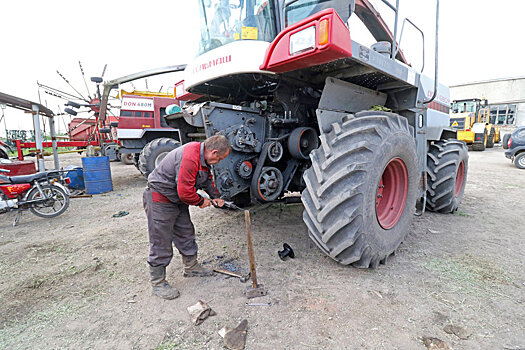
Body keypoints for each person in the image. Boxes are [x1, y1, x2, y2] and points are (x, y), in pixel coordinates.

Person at [143, 135, 231, 300]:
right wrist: (201, 201)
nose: (218, 161)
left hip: (176, 199)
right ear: (213, 151)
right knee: (161, 239)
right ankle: (158, 282)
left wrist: (216, 196)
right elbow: (185, 192)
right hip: (160, 198)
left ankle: (191, 267)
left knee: (185, 232)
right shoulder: (190, 156)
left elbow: (207, 181)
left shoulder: (203, 159)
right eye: (219, 158)